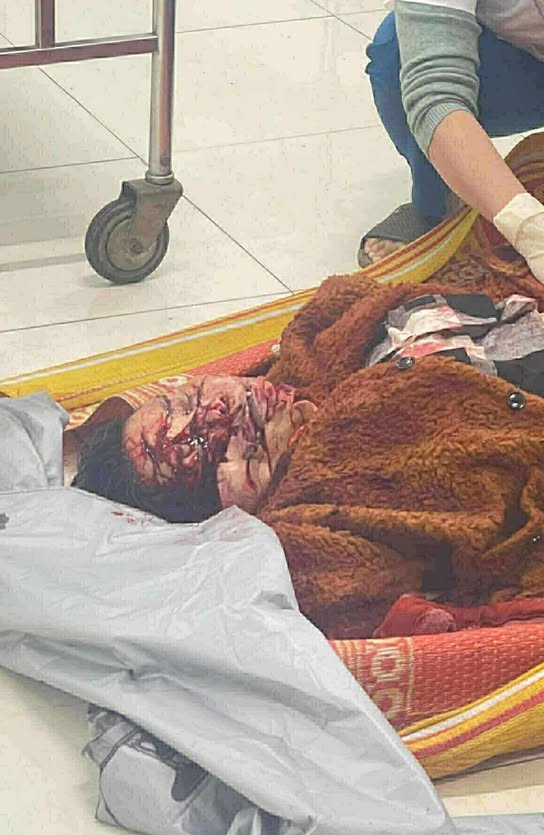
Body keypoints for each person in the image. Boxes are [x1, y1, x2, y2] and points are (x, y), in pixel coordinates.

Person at [74, 274, 544, 639]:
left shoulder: (316, 350)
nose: (219, 407)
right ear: (227, 516)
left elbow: (361, 299)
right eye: (207, 448)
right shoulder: (309, 517)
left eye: (186, 400)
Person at [360, 0, 544, 282]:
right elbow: (436, 91)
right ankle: (436, 205)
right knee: (397, 54)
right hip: (523, 64)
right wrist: (525, 226)